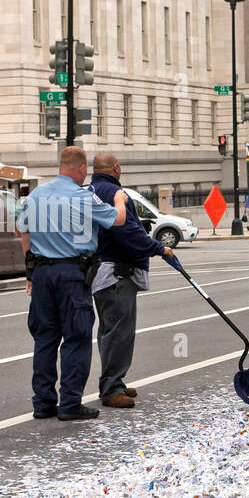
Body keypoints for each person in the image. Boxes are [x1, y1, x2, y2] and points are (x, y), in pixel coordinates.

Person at [21, 146, 127, 421]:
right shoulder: (83, 197)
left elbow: (23, 230)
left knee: (45, 338)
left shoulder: (36, 195)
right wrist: (119, 200)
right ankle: (70, 403)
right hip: (72, 274)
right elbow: (117, 220)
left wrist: (30, 270)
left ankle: (43, 403)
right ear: (81, 169)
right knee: (77, 338)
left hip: (43, 274)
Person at [88, 154, 174, 408]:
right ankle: (112, 387)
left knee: (108, 331)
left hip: (100, 273)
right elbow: (126, 231)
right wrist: (159, 248)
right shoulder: (116, 193)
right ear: (115, 167)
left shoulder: (91, 190)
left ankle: (113, 381)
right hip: (117, 273)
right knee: (119, 333)